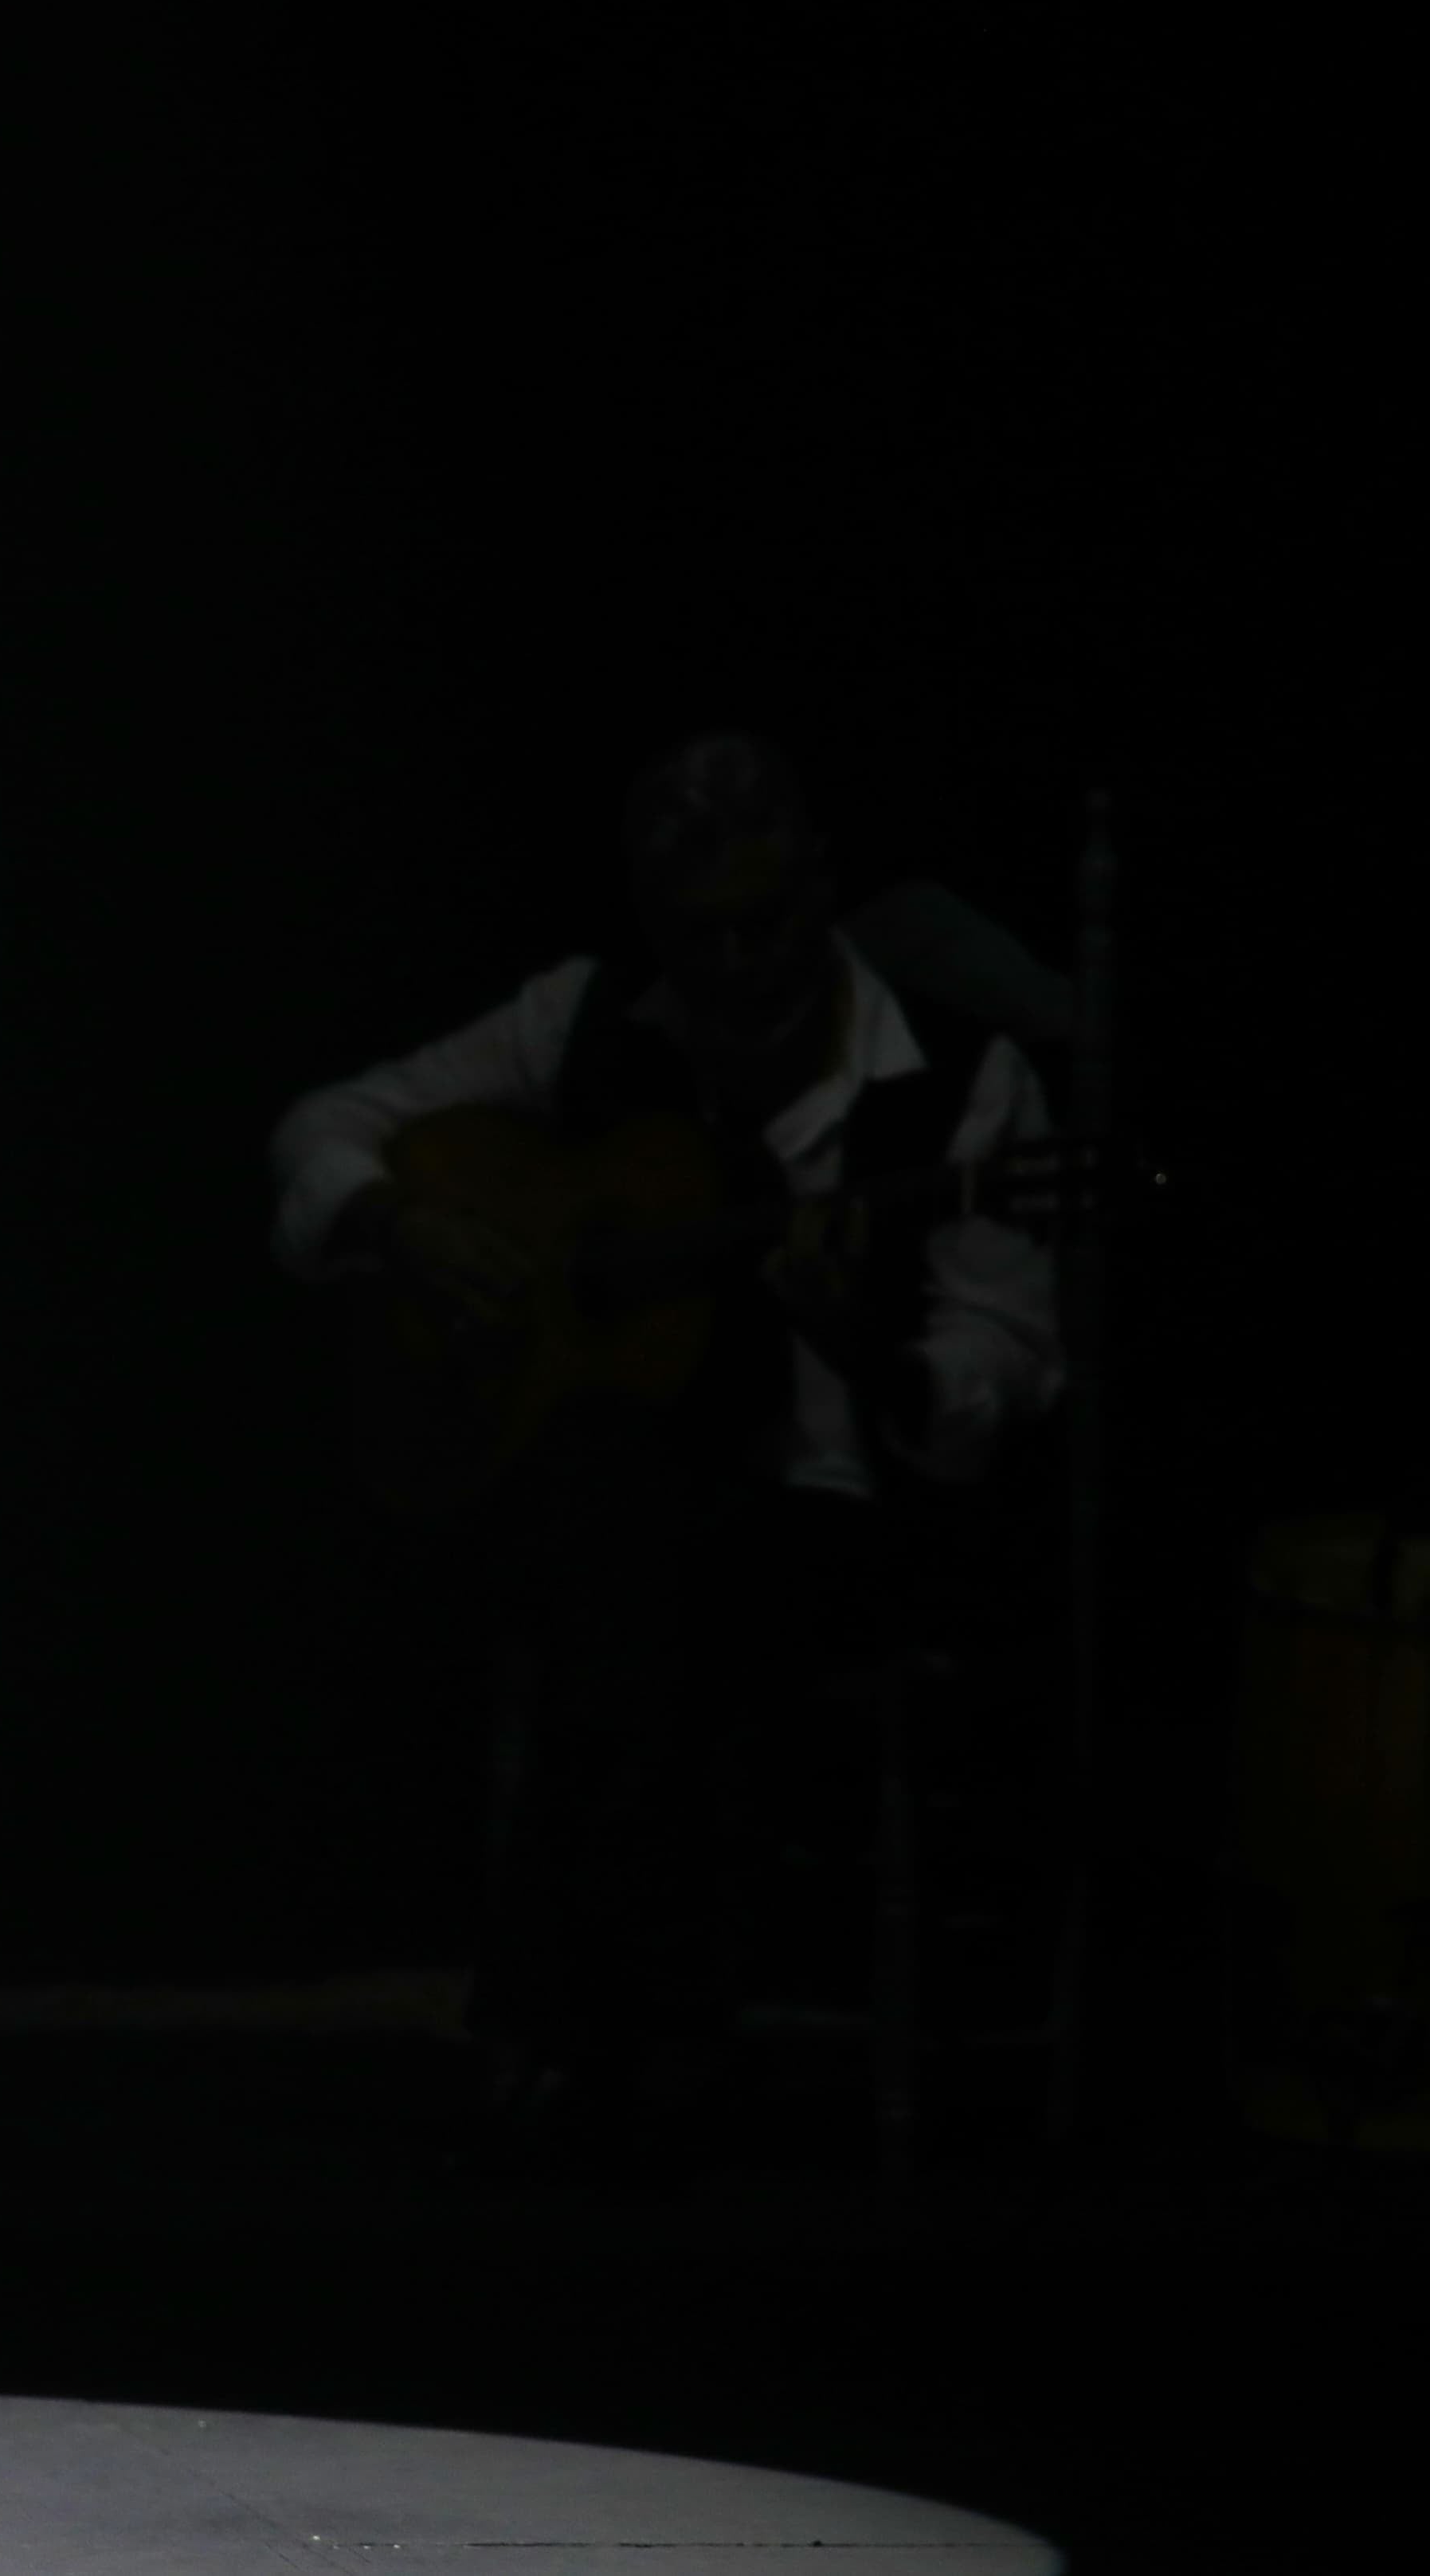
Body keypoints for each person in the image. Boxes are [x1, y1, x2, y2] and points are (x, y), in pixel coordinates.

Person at [267, 732, 1062, 2152]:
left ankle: (562, 2023)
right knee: (616, 1517)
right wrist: (403, 1221)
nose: (746, 962)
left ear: (824, 887)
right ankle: (658, 2035)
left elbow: (997, 1376)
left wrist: (855, 1337)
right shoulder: (587, 1020)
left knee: (625, 1563)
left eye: (772, 922)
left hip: (841, 1522)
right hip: (612, 1529)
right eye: (705, 938)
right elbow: (324, 1126)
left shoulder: (962, 1084)